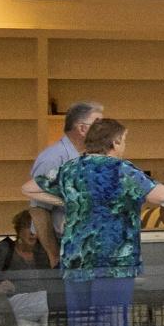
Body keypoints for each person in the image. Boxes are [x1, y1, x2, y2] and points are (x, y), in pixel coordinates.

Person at [23, 117, 164, 326]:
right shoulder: (121, 170)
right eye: (124, 140)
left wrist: (69, 199)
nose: (125, 145)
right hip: (113, 260)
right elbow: (160, 196)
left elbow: (29, 188)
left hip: (76, 260)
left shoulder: (71, 168)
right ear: (114, 142)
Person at [29, 100, 104, 265]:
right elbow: (39, 211)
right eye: (98, 124)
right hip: (55, 245)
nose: (103, 130)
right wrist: (54, 254)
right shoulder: (54, 158)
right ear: (82, 128)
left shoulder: (86, 157)